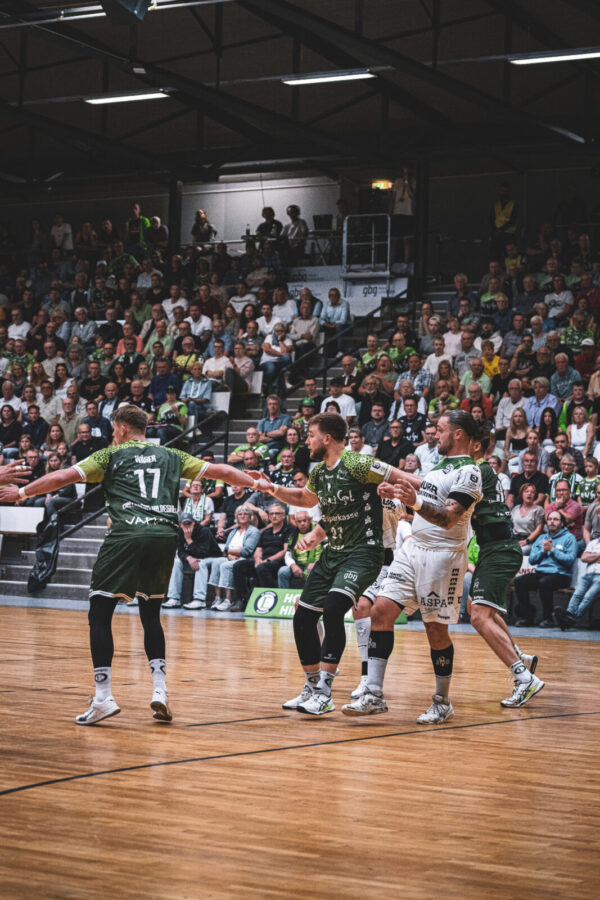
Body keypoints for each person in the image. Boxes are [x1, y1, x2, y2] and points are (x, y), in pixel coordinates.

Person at [0, 405, 271, 725]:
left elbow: (62, 476)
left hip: (126, 535)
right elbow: (221, 471)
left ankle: (103, 697)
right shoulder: (172, 455)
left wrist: (22, 491)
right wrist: (255, 483)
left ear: (122, 428)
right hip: (164, 538)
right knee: (151, 614)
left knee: (100, 612)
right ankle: (160, 689)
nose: (113, 435)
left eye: (114, 430)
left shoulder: (110, 455)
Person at [251, 412, 403, 716]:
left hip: (363, 552)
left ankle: (325, 692)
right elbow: (306, 499)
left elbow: (405, 478)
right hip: (333, 553)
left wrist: (433, 495)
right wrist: (271, 489)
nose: (306, 441)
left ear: (327, 438)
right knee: (303, 617)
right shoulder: (320, 471)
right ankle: (311, 686)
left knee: (334, 610)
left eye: (310, 435)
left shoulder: (358, 463)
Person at [341, 411, 483, 723]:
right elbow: (424, 503)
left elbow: (448, 518)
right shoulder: (439, 467)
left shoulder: (470, 472)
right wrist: (397, 494)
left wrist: (415, 501)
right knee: (380, 610)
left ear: (458, 434)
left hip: (443, 556)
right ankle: (373, 694)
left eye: (440, 429)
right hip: (412, 549)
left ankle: (442, 701)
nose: (434, 434)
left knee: (435, 630)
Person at [467, 427, 544, 707]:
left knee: (479, 616)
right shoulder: (480, 470)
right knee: (477, 609)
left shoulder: (477, 469)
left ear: (474, 444)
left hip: (498, 549)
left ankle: (523, 677)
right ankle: (519, 656)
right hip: (494, 548)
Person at [513, 510, 578, 627]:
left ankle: (548, 619)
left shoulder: (569, 538)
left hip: (561, 575)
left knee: (545, 582)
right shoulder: (541, 538)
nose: (552, 522)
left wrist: (553, 550)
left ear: (562, 523)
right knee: (519, 581)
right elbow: (532, 560)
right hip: (542, 572)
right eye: (550, 519)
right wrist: (543, 551)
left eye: (555, 519)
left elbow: (570, 560)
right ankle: (527, 617)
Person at [164, 513, 223, 610]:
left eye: (189, 523)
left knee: (200, 562)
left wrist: (189, 540)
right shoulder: (180, 532)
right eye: (185, 524)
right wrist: (188, 558)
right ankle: (174, 598)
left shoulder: (204, 531)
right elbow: (180, 551)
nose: (187, 526)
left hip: (213, 557)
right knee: (176, 562)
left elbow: (203, 553)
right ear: (180, 525)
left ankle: (199, 600)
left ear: (194, 523)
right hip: (193, 557)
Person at [555, 538, 600, 630]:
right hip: (588, 574)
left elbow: (588, 557)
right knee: (577, 594)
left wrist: (592, 557)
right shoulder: (593, 542)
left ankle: (571, 619)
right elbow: (584, 558)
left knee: (588, 597)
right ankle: (569, 615)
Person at [277, 510, 322, 588]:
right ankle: (284, 594)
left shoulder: (319, 532)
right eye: (299, 521)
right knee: (282, 571)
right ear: (296, 523)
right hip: (299, 565)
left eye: (304, 521)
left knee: (315, 572)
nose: (302, 523)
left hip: (316, 564)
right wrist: (293, 565)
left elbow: (328, 551)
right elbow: (288, 554)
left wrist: (316, 563)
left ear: (310, 520)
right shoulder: (292, 535)